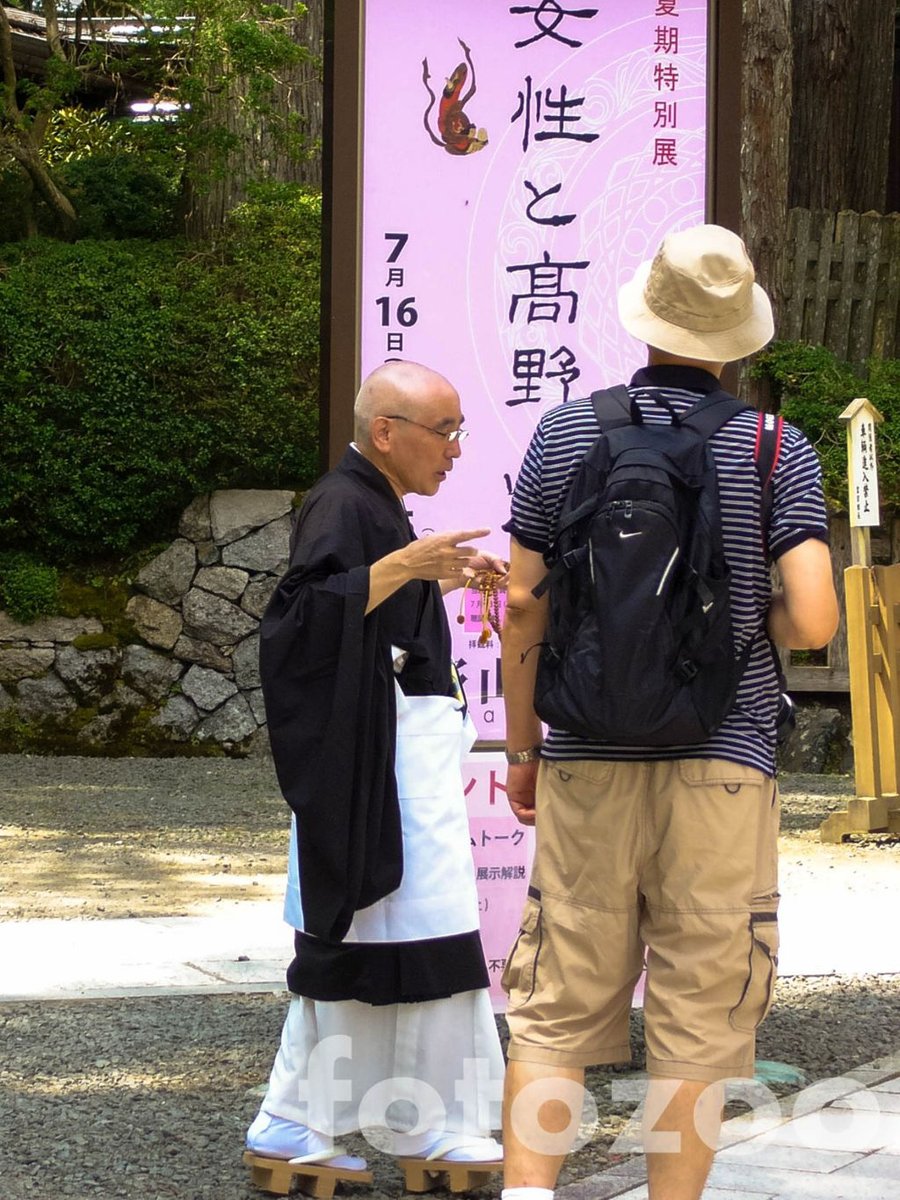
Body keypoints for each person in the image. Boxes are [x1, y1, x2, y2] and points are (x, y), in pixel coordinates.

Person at [498, 224, 840, 1200]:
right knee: (698, 1007)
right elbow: (813, 620)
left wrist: (524, 748)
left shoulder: (567, 433)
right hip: (724, 765)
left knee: (556, 1000)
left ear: (646, 319)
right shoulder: (776, 446)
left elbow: (524, 604)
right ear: (737, 339)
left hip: (587, 757)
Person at [246, 360, 506, 1176]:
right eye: (446, 430)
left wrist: (440, 573)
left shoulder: (382, 506)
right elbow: (297, 619)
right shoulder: (342, 500)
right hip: (375, 758)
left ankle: (413, 1122)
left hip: (409, 749)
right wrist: (406, 566)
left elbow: (369, 597)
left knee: (427, 933)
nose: (457, 449)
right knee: (373, 926)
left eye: (460, 429)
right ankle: (300, 1120)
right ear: (385, 432)